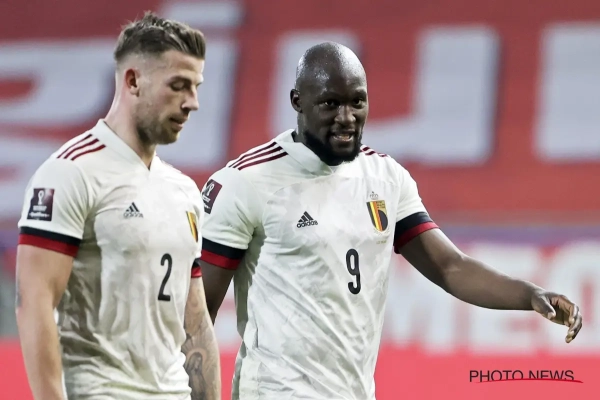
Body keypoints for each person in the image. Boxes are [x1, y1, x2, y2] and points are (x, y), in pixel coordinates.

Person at [198, 42, 583, 400]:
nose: (346, 118)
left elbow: (449, 267)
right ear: (297, 101)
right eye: (331, 104)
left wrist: (529, 295)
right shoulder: (245, 182)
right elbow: (197, 314)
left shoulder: (385, 178)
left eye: (357, 102)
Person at [15, 12, 220, 400]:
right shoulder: (69, 173)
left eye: (196, 87)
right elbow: (34, 302)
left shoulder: (184, 191)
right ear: (133, 81)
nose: (192, 103)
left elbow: (194, 322)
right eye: (178, 86)